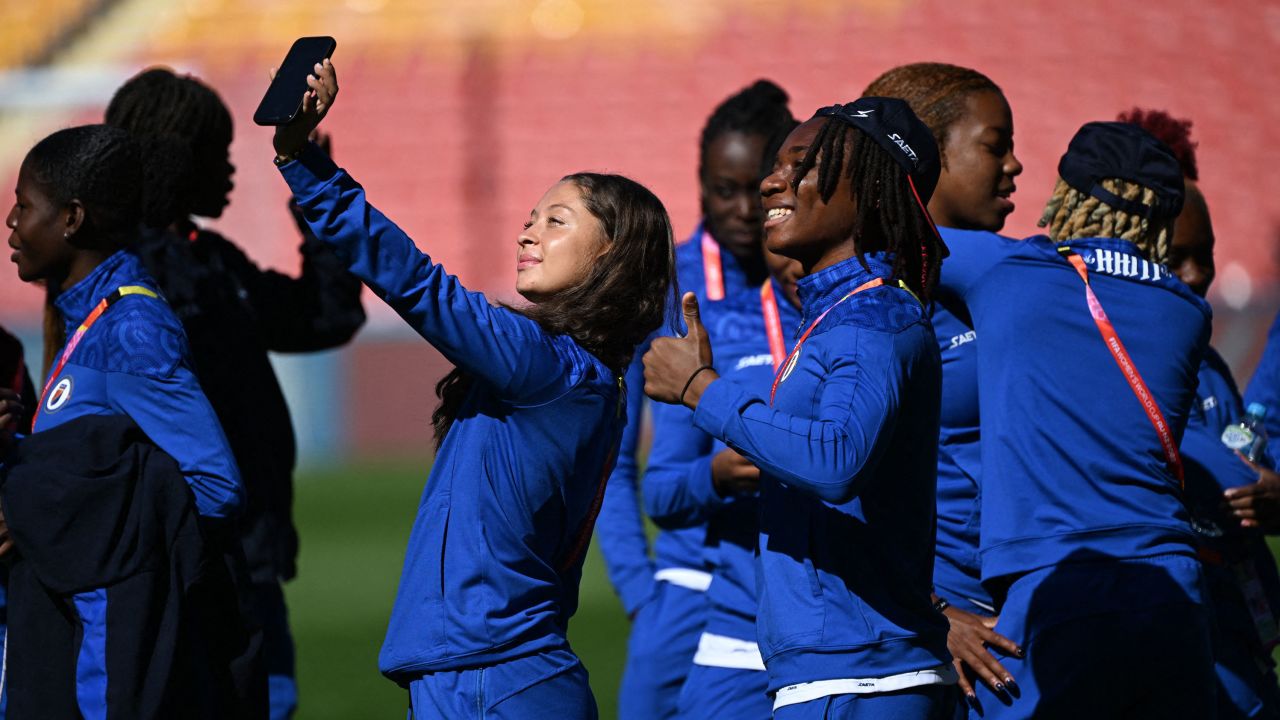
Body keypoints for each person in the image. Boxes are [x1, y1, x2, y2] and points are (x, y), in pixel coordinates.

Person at [270, 59, 674, 718]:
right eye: (532, 216)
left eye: (557, 221)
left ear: (610, 256)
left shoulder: (554, 371)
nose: (527, 231)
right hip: (483, 678)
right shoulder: (575, 374)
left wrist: (300, 165)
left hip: (498, 682)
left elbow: (419, 285)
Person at [644, 96, 956, 719]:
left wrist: (702, 389)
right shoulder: (841, 317)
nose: (769, 183)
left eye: (802, 164)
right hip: (836, 671)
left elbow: (836, 462)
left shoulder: (874, 320)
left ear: (868, 192)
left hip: (868, 678)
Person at [104, 67, 366, 720]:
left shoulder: (216, 260)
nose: (227, 169)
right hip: (172, 565)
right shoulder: (115, 274)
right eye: (213, 154)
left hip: (252, 554)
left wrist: (314, 195)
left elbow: (325, 317)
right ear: (172, 159)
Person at [940, 121, 1212, 718]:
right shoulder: (1186, 311)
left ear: (1068, 196)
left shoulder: (1010, 273)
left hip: (1054, 580)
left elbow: (896, 230)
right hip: (1172, 585)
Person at [3, 124, 253, 716]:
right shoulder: (84, 313)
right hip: (61, 627)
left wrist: (40, 507)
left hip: (109, 653)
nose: (11, 223)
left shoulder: (133, 328)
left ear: (72, 218)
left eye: (23, 206)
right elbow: (88, 460)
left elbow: (216, 487)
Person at [598, 79, 793, 720]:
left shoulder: (815, 282)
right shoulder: (664, 286)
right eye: (721, 189)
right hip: (690, 591)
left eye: (756, 186)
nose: (740, 208)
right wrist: (643, 593)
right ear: (699, 181)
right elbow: (614, 458)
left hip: (794, 585)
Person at [861, 62, 1024, 707]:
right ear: (928, 155)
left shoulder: (999, 282)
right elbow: (833, 484)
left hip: (1025, 608)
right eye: (994, 145)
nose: (1014, 165)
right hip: (948, 637)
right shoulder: (875, 300)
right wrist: (934, 612)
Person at [1121, 107, 1280, 719]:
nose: (1195, 278)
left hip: (1238, 639)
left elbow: (1252, 454)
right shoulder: (1096, 365)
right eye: (1175, 256)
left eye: (1206, 255)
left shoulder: (1207, 363)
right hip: (1160, 643)